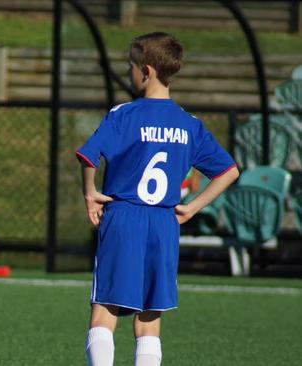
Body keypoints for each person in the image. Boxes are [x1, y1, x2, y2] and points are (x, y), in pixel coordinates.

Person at [75, 32, 239, 366]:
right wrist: (192, 207)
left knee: (105, 310)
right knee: (149, 318)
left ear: (146, 71)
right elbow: (229, 171)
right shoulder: (189, 124)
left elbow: (88, 156)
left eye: (131, 67)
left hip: (124, 217)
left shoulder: (123, 114)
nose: (129, 73)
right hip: (164, 223)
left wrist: (90, 193)